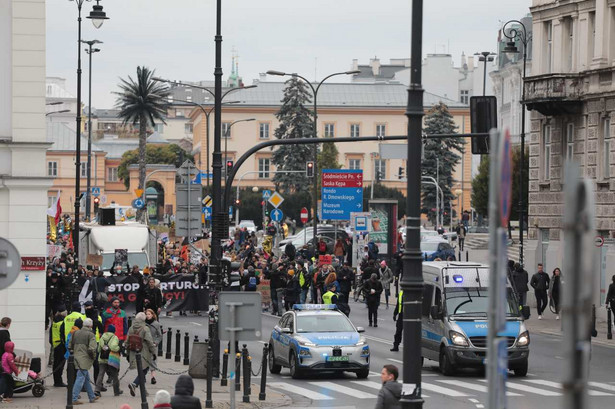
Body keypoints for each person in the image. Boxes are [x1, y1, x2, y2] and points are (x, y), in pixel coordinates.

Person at [127, 312, 157, 397]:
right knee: (144, 370)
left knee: (140, 371)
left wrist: (128, 353)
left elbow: (127, 341)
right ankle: (134, 384)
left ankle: (144, 391)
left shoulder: (131, 328)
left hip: (133, 351)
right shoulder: (145, 328)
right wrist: (154, 352)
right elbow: (150, 342)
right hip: (143, 352)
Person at [70, 318, 99, 405]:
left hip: (75, 357)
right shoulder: (90, 334)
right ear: (91, 326)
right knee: (80, 378)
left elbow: (69, 345)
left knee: (86, 379)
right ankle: (74, 398)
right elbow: (92, 349)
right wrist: (93, 358)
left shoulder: (75, 333)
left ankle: (92, 397)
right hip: (85, 359)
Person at [95, 324, 123, 397]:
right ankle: (116, 391)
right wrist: (118, 348)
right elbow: (113, 347)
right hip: (111, 359)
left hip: (102, 358)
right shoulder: (114, 337)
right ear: (114, 331)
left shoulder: (102, 337)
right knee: (114, 375)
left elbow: (98, 349)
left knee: (101, 374)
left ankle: (97, 390)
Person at [50, 305, 68, 387]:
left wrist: (52, 343)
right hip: (61, 345)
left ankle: (56, 380)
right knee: (60, 364)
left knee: (55, 364)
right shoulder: (63, 322)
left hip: (55, 344)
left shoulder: (54, 322)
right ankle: (59, 381)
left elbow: (50, 334)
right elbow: (64, 334)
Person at [145, 309, 163, 385]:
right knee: (144, 361)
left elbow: (159, 335)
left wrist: (156, 342)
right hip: (144, 345)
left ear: (152, 315)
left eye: (149, 314)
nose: (148, 316)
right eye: (146, 314)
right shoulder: (143, 323)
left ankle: (153, 377)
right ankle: (143, 377)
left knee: (153, 360)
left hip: (152, 345)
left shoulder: (156, 324)